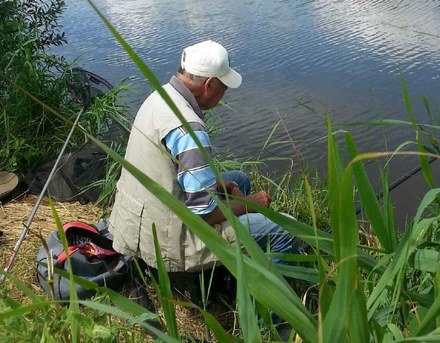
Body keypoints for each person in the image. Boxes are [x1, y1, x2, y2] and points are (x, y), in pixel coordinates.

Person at [109, 40, 297, 274]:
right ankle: (268, 308)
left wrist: (221, 185)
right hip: (169, 242)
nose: (225, 93)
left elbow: (169, 170)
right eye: (224, 86)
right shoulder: (189, 129)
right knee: (283, 230)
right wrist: (251, 204)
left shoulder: (161, 97)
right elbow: (205, 214)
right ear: (209, 84)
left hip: (138, 221)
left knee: (238, 179)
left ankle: (229, 276)